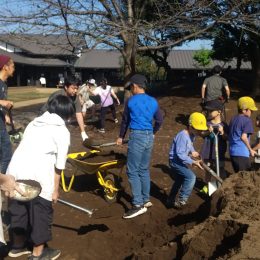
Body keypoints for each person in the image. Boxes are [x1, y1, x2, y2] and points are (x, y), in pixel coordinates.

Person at [6, 95, 75, 259]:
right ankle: (38, 253)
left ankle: (17, 246)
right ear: (65, 113)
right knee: (41, 213)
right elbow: (59, 165)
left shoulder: (33, 123)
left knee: (18, 209)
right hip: (38, 175)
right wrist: (55, 190)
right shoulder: (62, 131)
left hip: (14, 172)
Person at [116, 74, 163, 219]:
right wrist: (153, 132)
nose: (130, 89)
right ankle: (145, 199)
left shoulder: (131, 101)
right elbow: (160, 120)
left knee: (132, 171)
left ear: (135, 86)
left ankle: (137, 205)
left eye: (131, 87)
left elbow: (125, 121)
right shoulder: (153, 101)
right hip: (149, 136)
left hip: (137, 136)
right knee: (143, 169)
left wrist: (121, 137)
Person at [167, 112, 207, 208]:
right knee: (191, 177)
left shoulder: (192, 135)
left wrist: (193, 152)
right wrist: (192, 162)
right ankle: (182, 200)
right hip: (175, 161)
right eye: (198, 130)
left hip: (179, 160)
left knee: (180, 180)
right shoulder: (182, 136)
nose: (200, 132)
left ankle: (170, 200)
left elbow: (189, 146)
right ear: (190, 126)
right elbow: (180, 154)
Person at [41, 76, 89, 141]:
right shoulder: (57, 96)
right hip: (47, 117)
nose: (75, 91)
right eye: (73, 88)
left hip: (61, 119)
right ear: (66, 87)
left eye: (77, 88)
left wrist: (83, 132)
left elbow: (79, 114)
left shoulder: (75, 98)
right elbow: (47, 111)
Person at [200, 100, 228, 181]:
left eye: (211, 110)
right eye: (208, 110)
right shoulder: (207, 124)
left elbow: (227, 138)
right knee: (208, 170)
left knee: (221, 169)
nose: (209, 112)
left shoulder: (224, 125)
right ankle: (207, 186)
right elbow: (202, 134)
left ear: (219, 112)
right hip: (208, 153)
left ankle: (223, 185)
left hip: (219, 153)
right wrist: (208, 131)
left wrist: (222, 132)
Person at [229, 96, 257, 173]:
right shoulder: (247, 120)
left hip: (232, 153)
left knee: (239, 177)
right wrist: (250, 150)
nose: (252, 112)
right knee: (246, 180)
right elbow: (243, 137)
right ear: (244, 110)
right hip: (242, 154)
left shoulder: (233, 119)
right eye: (251, 110)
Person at [0, 55, 15, 174]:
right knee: (5, 156)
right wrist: (2, 102)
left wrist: (5, 115)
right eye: (12, 66)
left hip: (1, 125)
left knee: (6, 155)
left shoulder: (4, 84)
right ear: (5, 67)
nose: (13, 69)